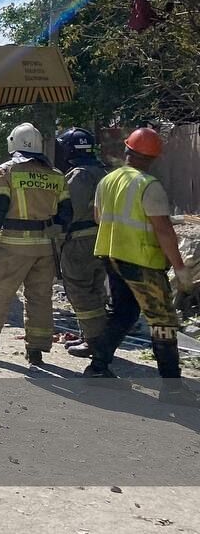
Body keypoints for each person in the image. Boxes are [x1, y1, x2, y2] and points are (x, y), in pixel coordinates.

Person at [0, 122, 71, 366]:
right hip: (45, 248)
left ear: (13, 143)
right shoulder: (56, 176)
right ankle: (36, 350)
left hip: (12, 246)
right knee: (39, 297)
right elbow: (66, 215)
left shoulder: (7, 171)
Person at [84, 127, 195, 379]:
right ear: (154, 158)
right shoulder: (149, 186)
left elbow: (98, 217)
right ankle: (171, 383)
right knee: (163, 319)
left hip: (112, 257)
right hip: (142, 261)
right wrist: (179, 267)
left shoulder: (107, 180)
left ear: (127, 150)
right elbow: (163, 231)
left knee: (124, 312)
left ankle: (97, 366)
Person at [54, 127, 110, 357]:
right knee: (96, 289)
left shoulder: (79, 175)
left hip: (80, 241)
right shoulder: (103, 172)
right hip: (102, 239)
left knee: (80, 290)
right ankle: (94, 336)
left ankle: (94, 343)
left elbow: (70, 211)